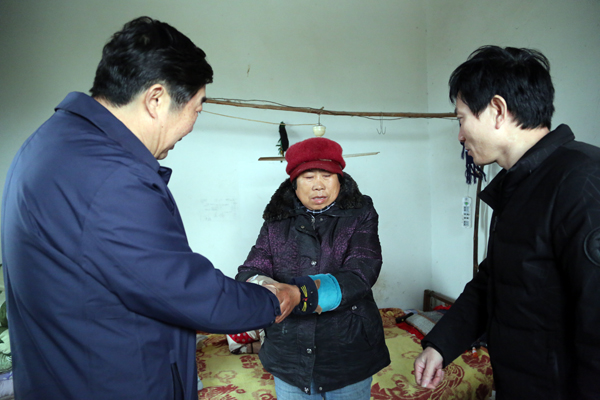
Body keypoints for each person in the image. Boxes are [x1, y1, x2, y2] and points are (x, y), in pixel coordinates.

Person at [1, 16, 299, 400]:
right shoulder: (109, 177)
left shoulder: (53, 143)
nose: (192, 125)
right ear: (156, 99)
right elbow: (186, 291)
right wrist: (275, 299)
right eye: (197, 108)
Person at [414, 45, 600, 399]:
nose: (460, 135)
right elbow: (494, 281)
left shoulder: (583, 181)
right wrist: (440, 345)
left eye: (461, 119)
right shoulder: (520, 184)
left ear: (497, 110)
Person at [236, 137, 390, 399]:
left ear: (339, 179)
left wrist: (300, 294)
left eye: (327, 175)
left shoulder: (360, 212)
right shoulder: (276, 220)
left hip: (348, 351)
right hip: (288, 354)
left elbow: (361, 271)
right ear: (294, 184)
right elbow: (251, 268)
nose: (319, 185)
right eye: (308, 177)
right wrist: (267, 287)